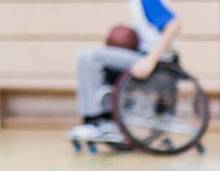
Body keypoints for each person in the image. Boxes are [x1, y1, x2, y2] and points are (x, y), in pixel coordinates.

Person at [69, 0, 182, 143]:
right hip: (144, 56)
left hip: (157, 63)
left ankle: (97, 120)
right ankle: (100, 117)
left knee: (88, 56)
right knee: (89, 56)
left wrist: (151, 60)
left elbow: (174, 25)